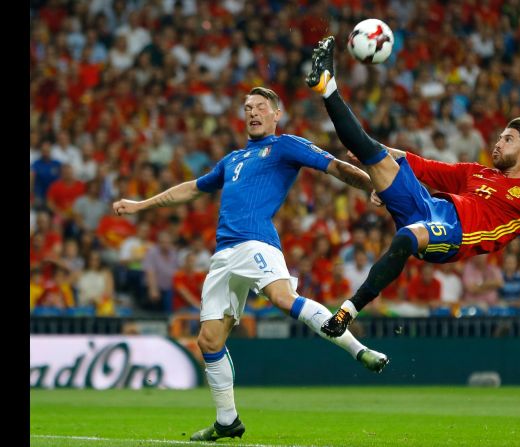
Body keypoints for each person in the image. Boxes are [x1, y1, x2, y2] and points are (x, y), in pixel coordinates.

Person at [112, 87, 389, 442]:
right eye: (247, 107)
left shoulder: (286, 145)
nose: (253, 112)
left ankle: (359, 349)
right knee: (209, 341)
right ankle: (227, 420)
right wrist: (141, 205)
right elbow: (191, 188)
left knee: (281, 296)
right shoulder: (232, 160)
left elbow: (335, 167)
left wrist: (374, 184)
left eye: (260, 107)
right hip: (223, 255)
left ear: (276, 114)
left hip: (257, 242)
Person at [306, 37, 520, 351]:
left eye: (507, 140)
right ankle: (327, 86)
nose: (497, 143)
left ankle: (348, 311)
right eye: (500, 137)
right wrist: (374, 154)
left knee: (407, 237)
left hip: (456, 233)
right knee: (370, 150)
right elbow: (419, 165)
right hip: (430, 206)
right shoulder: (475, 172)